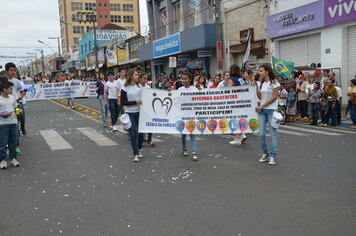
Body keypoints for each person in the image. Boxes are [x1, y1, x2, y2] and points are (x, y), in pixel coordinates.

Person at [255, 64, 280, 165]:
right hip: (262, 111)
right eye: (259, 71)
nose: (259, 73)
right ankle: (265, 153)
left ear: (267, 72)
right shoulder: (261, 83)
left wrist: (262, 105)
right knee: (261, 133)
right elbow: (260, 96)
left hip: (271, 110)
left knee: (273, 134)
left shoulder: (274, 83)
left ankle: (273, 155)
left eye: (261, 71)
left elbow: (274, 97)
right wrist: (256, 87)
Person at [120, 69, 143, 162]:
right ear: (131, 76)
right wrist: (135, 102)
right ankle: (135, 153)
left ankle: (140, 148)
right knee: (133, 133)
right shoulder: (125, 88)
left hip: (140, 112)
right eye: (136, 75)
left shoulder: (140, 87)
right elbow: (123, 102)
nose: (138, 76)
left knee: (140, 133)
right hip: (130, 113)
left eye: (138, 75)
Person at [178, 72, 198, 161]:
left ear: (190, 79)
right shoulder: (179, 90)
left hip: (192, 115)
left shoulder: (194, 90)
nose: (184, 80)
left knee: (192, 133)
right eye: (182, 79)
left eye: (185, 78)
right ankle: (184, 148)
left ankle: (194, 152)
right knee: (183, 133)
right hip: (182, 115)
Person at [0, 81, 20, 169]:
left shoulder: (12, 98)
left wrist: (17, 112)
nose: (12, 90)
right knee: (3, 143)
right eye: (10, 88)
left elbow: (15, 107)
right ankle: (3, 160)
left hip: (13, 123)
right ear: (4, 90)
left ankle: (13, 159)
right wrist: (3, 114)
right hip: (3, 124)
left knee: (13, 142)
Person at [228, 65, 246, 145]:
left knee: (234, 119)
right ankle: (242, 133)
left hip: (234, 102)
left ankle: (237, 137)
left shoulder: (231, 79)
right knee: (240, 118)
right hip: (242, 101)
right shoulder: (241, 79)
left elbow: (229, 91)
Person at [139, 73, 155, 147]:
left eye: (147, 79)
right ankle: (141, 140)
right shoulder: (137, 87)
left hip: (148, 108)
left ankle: (149, 139)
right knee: (141, 125)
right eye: (144, 78)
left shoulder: (148, 87)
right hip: (139, 108)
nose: (145, 80)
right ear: (140, 78)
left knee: (149, 124)